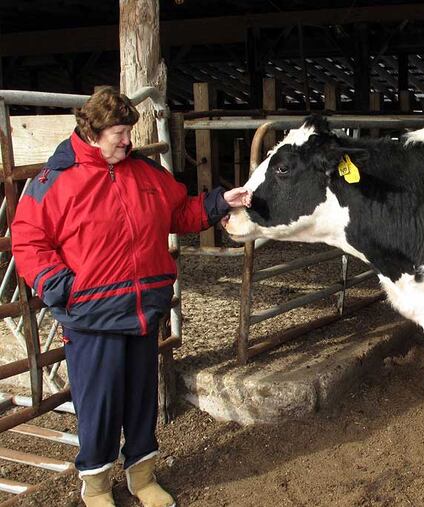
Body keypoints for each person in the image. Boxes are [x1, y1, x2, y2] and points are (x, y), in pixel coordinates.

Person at [11, 87, 250, 507]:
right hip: (91, 316)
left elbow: (179, 212)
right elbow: (29, 241)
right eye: (119, 132)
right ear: (93, 131)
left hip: (143, 311)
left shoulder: (146, 172)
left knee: (142, 401)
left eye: (128, 131)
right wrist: (59, 286)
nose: (127, 140)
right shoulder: (56, 180)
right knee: (99, 405)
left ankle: (142, 477)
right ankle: (98, 485)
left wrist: (217, 203)